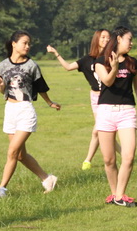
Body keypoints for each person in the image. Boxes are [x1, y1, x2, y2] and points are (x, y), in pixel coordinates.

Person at [0, 30, 61, 198]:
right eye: (24, 43)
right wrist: (1, 85)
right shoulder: (2, 65)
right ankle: (47, 179)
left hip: (25, 110)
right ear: (14, 44)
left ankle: (2, 188)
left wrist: (50, 103)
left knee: (12, 152)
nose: (28, 46)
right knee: (20, 155)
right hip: (9, 110)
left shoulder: (32, 65)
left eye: (29, 43)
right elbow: (2, 91)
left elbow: (41, 87)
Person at [46, 29, 122, 170]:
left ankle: (88, 160)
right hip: (95, 97)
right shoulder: (87, 59)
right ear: (96, 39)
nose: (106, 40)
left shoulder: (112, 57)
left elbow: (123, 74)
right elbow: (68, 67)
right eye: (103, 37)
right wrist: (56, 53)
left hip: (109, 96)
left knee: (98, 131)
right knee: (102, 130)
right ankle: (125, 156)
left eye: (108, 37)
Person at [94, 26, 137, 207]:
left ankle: (119, 195)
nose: (131, 43)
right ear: (118, 39)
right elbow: (108, 81)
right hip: (105, 111)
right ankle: (114, 194)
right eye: (129, 39)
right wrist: (115, 67)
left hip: (127, 111)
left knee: (129, 156)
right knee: (109, 160)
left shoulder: (133, 63)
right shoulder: (101, 61)